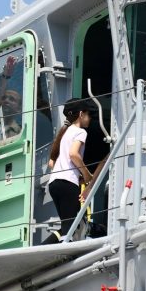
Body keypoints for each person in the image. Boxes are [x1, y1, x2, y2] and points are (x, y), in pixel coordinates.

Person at [42, 98, 95, 244]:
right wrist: (86, 175)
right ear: (81, 114)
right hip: (68, 183)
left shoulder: (64, 133)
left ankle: (51, 247)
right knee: (70, 227)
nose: (90, 118)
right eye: (89, 114)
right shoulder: (80, 132)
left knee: (67, 224)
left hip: (54, 184)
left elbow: (52, 163)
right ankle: (65, 252)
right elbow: (73, 154)